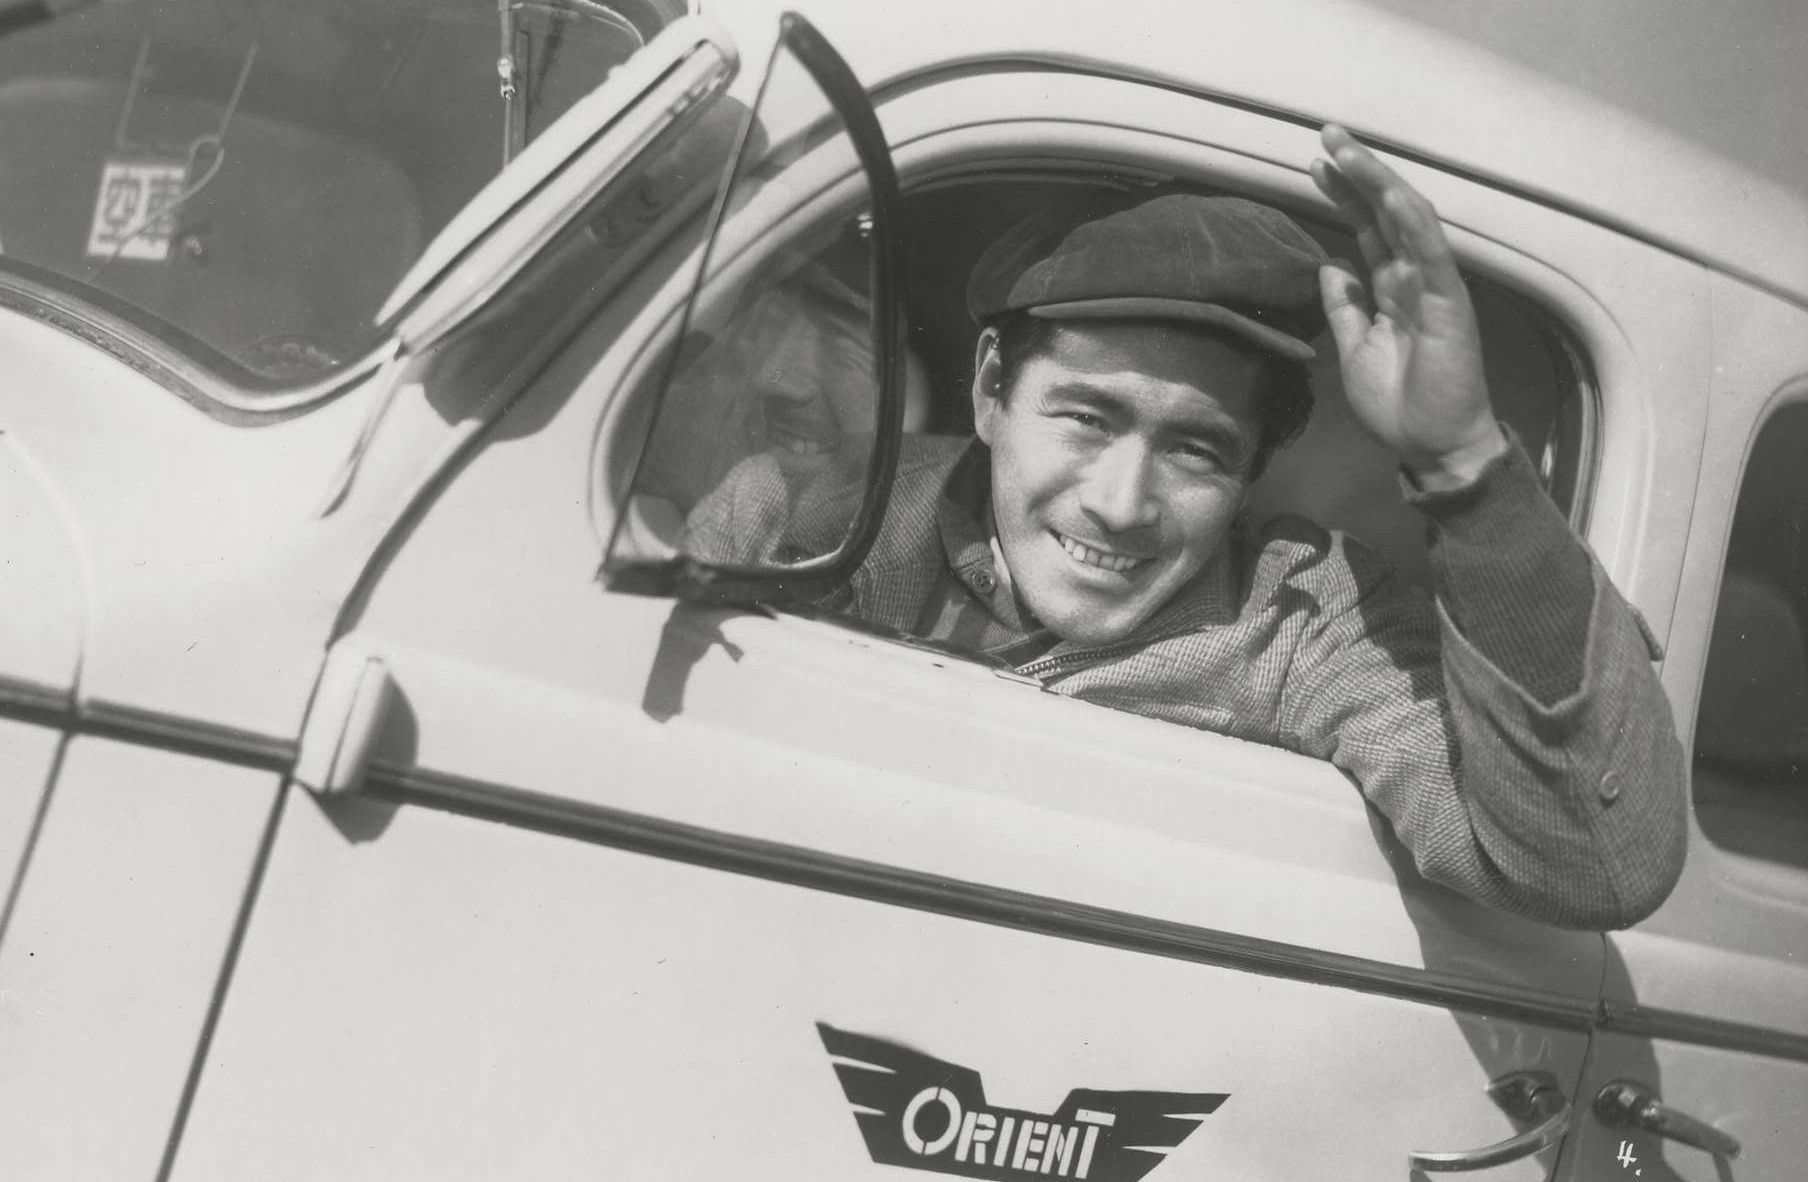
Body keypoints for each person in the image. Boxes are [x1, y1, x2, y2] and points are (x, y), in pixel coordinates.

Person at [684, 126, 1687, 930]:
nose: (1122, 504)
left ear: (1254, 469)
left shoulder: (1303, 627)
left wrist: (1466, 467)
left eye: (1197, 450)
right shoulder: (799, 519)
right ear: (991, 390)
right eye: (1086, 418)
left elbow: (1592, 865)